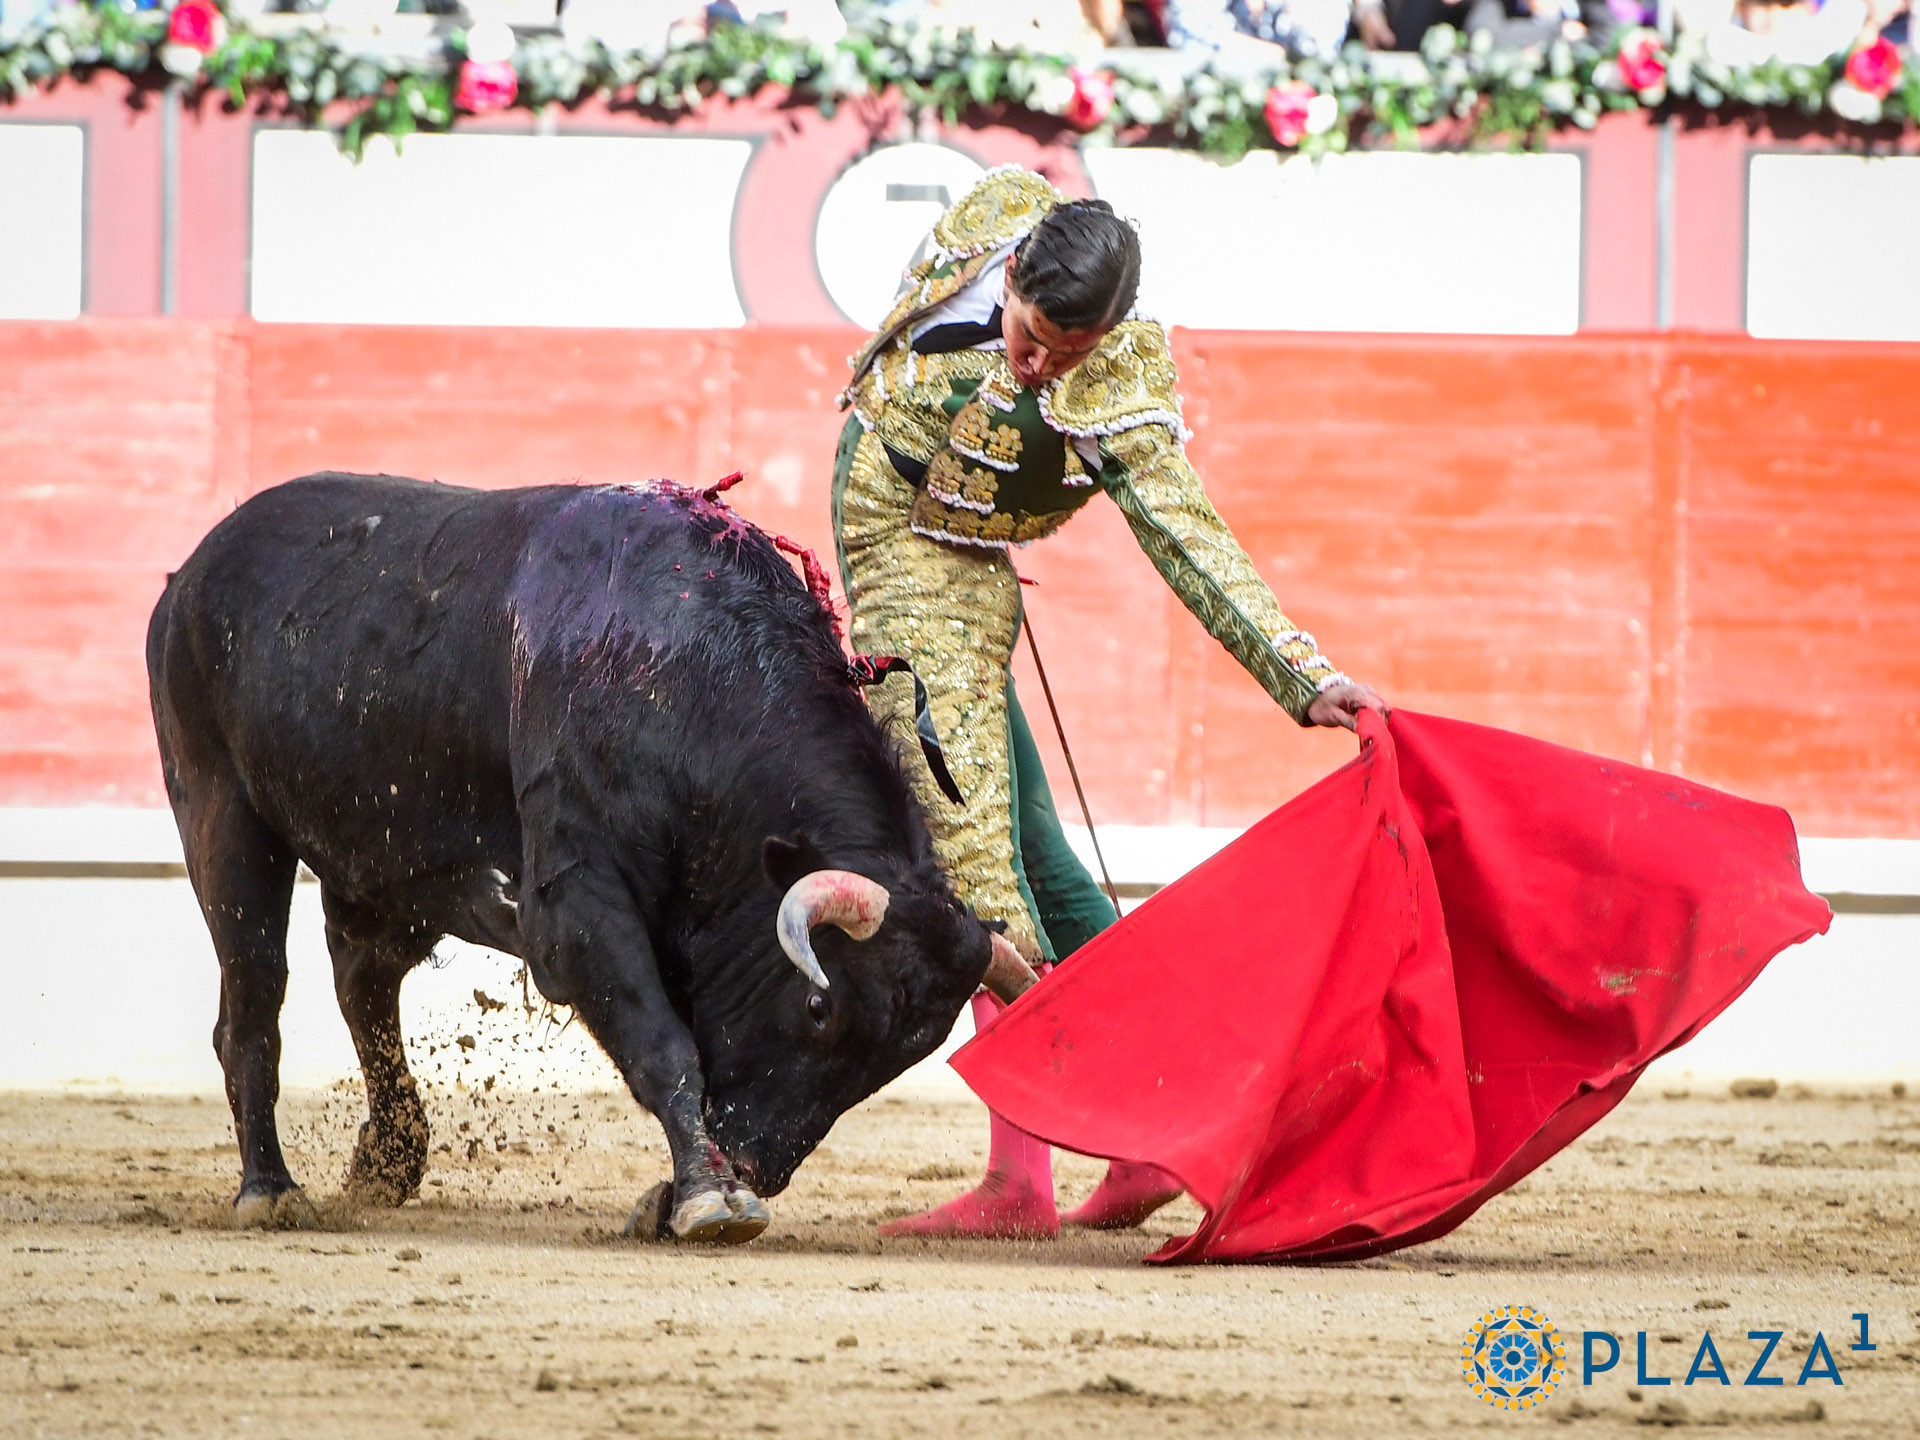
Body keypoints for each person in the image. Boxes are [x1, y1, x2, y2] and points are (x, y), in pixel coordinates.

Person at [830, 167, 1387, 1240]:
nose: (1038, 367)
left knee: (974, 872)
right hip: (919, 548)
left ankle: (1020, 1182)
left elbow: (1189, 534)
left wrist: (1300, 671)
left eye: (1067, 355)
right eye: (1031, 336)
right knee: (1035, 856)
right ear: (1013, 268)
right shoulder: (996, 209)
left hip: (925, 580)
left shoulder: (1120, 386)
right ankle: (1157, 1138)